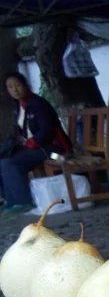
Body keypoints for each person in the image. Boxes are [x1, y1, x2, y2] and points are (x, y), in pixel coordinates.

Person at [0, 72, 71, 212]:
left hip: (54, 151)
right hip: (34, 149)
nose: (15, 90)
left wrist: (32, 142)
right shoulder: (19, 105)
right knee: (3, 158)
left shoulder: (38, 104)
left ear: (25, 85)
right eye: (10, 87)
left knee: (10, 163)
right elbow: (19, 131)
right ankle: (8, 199)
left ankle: (22, 202)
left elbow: (47, 131)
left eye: (18, 85)